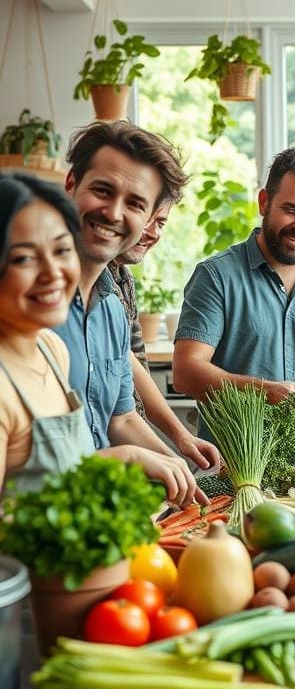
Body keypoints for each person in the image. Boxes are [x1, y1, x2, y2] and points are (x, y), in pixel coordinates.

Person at [0, 173, 200, 505]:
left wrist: (165, 458)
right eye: (24, 258)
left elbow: (56, 466)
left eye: (62, 250)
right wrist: (123, 459)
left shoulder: (50, 350)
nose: (53, 273)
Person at [52, 121, 208, 506]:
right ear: (71, 184)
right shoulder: (24, 304)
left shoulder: (111, 313)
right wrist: (128, 457)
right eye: (103, 190)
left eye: (136, 203)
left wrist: (178, 471)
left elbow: (120, 420)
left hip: (97, 517)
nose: (114, 213)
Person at [173, 147, 295, 430]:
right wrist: (263, 392)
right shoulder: (216, 276)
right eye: (291, 209)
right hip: (228, 464)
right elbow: (186, 372)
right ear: (264, 202)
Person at [108, 201, 221, 471]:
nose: (152, 232)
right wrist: (174, 443)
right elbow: (127, 365)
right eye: (146, 218)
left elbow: (133, 364)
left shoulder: (123, 277)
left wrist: (178, 440)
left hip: (129, 437)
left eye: (161, 222)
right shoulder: (93, 282)